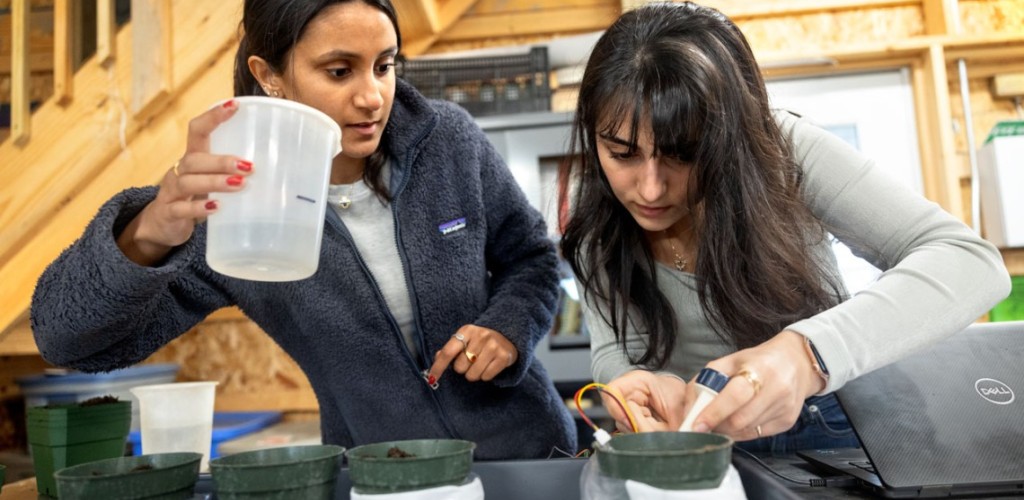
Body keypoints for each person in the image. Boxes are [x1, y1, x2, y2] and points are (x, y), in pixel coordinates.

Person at [30, 0, 576, 460]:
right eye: (340, 71)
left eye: (384, 66)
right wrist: (149, 232)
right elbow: (68, 341)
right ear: (270, 75)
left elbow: (532, 257)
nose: (371, 97)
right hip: (383, 474)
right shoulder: (235, 204)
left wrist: (508, 327)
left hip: (532, 456)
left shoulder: (449, 141)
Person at [559, 1, 1011, 455]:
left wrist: (806, 355)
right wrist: (637, 384)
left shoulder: (783, 152)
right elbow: (619, 348)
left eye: (682, 154)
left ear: (728, 135)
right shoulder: (597, 211)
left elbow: (970, 263)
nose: (651, 189)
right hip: (704, 440)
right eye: (623, 154)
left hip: (839, 420)